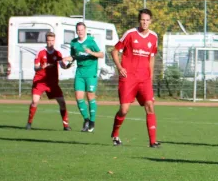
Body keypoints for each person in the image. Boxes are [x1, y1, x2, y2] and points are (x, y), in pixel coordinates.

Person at [110, 9, 160, 148]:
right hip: (129, 78)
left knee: (150, 106)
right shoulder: (130, 34)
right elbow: (114, 51)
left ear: (151, 21)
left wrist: (150, 76)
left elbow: (151, 57)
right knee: (124, 110)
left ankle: (153, 142)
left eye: (147, 20)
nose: (145, 22)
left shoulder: (154, 37)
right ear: (139, 20)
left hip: (144, 79)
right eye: (142, 20)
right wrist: (120, 68)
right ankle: (115, 134)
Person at [26, 32, 72, 131]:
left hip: (52, 83)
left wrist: (68, 65)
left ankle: (66, 125)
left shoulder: (57, 53)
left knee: (62, 103)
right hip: (40, 81)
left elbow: (63, 65)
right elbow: (35, 67)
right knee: (35, 101)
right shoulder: (41, 52)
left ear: (54, 41)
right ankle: (29, 123)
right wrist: (41, 67)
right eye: (48, 40)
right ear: (46, 41)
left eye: (52, 40)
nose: (50, 42)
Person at [63, 22, 104, 132]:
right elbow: (74, 57)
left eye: (82, 30)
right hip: (80, 72)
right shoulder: (74, 43)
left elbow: (101, 54)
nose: (80, 32)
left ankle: (92, 122)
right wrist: (67, 59)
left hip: (91, 73)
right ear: (76, 31)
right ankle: (86, 120)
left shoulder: (91, 41)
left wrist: (91, 52)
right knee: (78, 97)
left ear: (85, 30)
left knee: (90, 97)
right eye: (78, 30)